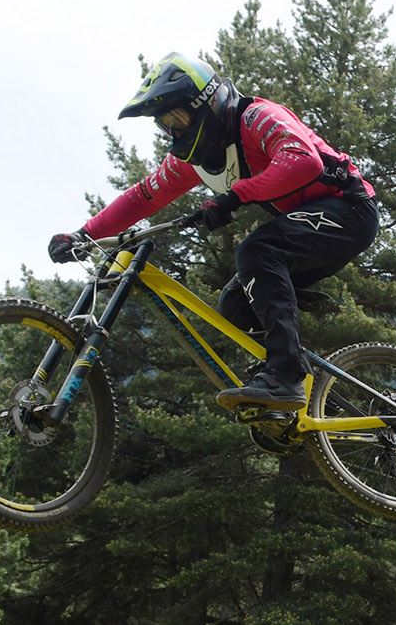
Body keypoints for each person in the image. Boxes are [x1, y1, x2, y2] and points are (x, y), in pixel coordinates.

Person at [48, 53, 379, 410]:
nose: (174, 131)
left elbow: (302, 160)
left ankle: (286, 377)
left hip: (350, 210)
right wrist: (85, 234)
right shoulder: (191, 161)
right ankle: (298, 390)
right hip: (311, 221)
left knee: (256, 251)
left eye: (178, 118)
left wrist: (236, 195)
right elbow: (142, 198)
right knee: (235, 303)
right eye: (165, 124)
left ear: (207, 103)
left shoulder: (256, 118)